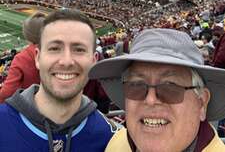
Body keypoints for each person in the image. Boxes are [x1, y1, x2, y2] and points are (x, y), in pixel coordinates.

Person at [0, 9, 118, 151]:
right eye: (55, 48)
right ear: (37, 57)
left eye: (79, 49)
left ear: (94, 61)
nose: (66, 61)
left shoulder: (113, 141)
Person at [89, 28, 225, 152]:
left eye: (170, 86)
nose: (150, 100)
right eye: (137, 85)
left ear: (201, 103)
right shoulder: (117, 144)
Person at [0, 11, 45, 103]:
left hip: (30, 105)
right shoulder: (59, 51)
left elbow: (7, 93)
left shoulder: (22, 58)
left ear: (28, 35)